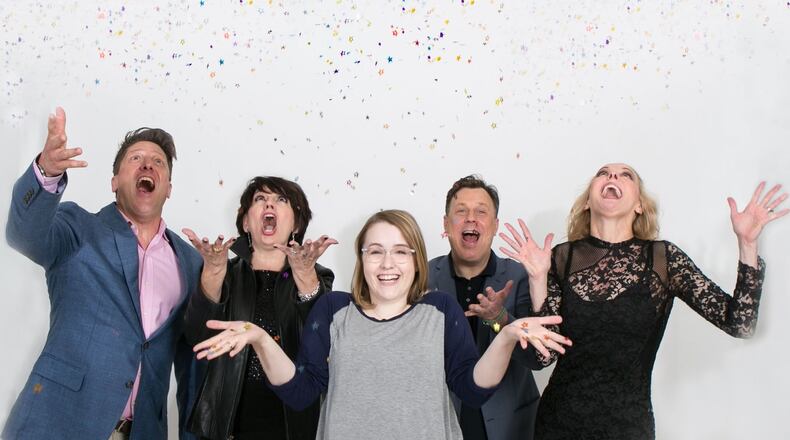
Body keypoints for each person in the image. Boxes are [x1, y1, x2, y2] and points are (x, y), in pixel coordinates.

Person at [192, 209, 571, 439]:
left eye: (400, 252)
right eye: (375, 252)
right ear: (361, 259)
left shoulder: (440, 310)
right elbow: (301, 392)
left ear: (416, 260)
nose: (387, 263)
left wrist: (506, 337)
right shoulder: (334, 310)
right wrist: (260, 339)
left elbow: (471, 389)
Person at [499, 163, 788, 439]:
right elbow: (543, 358)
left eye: (625, 175)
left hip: (628, 426)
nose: (612, 177)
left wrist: (747, 244)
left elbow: (740, 324)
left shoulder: (663, 259)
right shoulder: (561, 258)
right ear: (587, 201)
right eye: (603, 173)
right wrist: (538, 278)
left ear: (639, 205)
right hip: (559, 424)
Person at [3, 107, 203, 439]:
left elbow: (194, 363)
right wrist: (46, 172)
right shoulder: (78, 228)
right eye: (136, 158)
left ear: (168, 187)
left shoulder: (191, 262)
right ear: (114, 182)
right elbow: (23, 235)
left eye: (158, 161)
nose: (147, 165)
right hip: (57, 424)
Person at [182, 176, 336, 440]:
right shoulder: (224, 273)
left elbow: (324, 343)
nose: (269, 205)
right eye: (260, 199)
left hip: (294, 423)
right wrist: (213, 274)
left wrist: (305, 277)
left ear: (296, 224)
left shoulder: (317, 275)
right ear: (245, 222)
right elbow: (197, 337)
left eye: (281, 200)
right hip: (228, 424)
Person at [429, 175, 542, 440]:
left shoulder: (520, 276)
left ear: (495, 225)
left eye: (481, 212)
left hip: (509, 425)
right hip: (441, 424)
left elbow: (537, 358)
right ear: (446, 224)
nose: (471, 218)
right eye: (461, 211)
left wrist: (500, 318)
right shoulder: (423, 276)